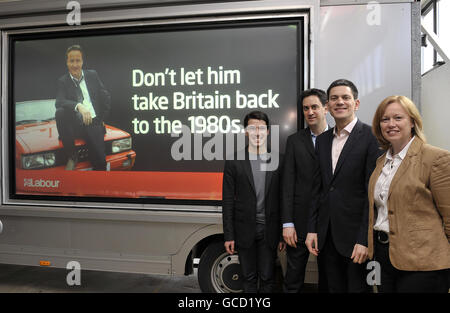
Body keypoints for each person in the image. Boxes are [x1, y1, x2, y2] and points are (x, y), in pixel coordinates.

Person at [305, 79, 381, 293]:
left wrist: (364, 239)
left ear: (356, 104)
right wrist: (312, 229)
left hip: (356, 241)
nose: (340, 102)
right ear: (327, 106)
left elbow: (372, 193)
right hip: (326, 237)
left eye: (345, 97)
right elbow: (318, 188)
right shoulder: (322, 140)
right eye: (334, 98)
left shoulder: (372, 137)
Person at [368, 95, 449, 293]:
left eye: (398, 118)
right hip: (382, 257)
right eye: (385, 119)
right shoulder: (381, 162)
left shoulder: (435, 158)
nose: (391, 124)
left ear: (412, 121)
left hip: (423, 261)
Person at [222, 111, 285, 293]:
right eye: (252, 128)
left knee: (268, 278)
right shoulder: (234, 160)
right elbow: (227, 201)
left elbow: (283, 198)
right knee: (248, 278)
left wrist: (281, 234)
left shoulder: (279, 159)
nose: (257, 132)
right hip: (244, 230)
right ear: (246, 132)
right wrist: (229, 235)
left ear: (267, 131)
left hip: (269, 231)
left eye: (261, 128)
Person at [281, 88, 330, 293]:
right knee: (292, 281)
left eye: (315, 107)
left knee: (328, 280)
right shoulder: (294, 141)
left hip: (329, 222)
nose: (310, 112)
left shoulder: (339, 138)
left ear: (325, 108)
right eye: (306, 108)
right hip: (298, 223)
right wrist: (287, 222)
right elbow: (287, 183)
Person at [55, 44, 111, 170]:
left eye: (78, 60)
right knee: (60, 112)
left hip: (93, 122)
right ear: (67, 62)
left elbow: (105, 97)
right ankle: (72, 156)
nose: (75, 65)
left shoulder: (92, 75)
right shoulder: (63, 81)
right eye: (72, 61)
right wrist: (78, 105)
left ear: (82, 61)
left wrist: (101, 119)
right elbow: (59, 101)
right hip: (75, 124)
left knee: (100, 162)